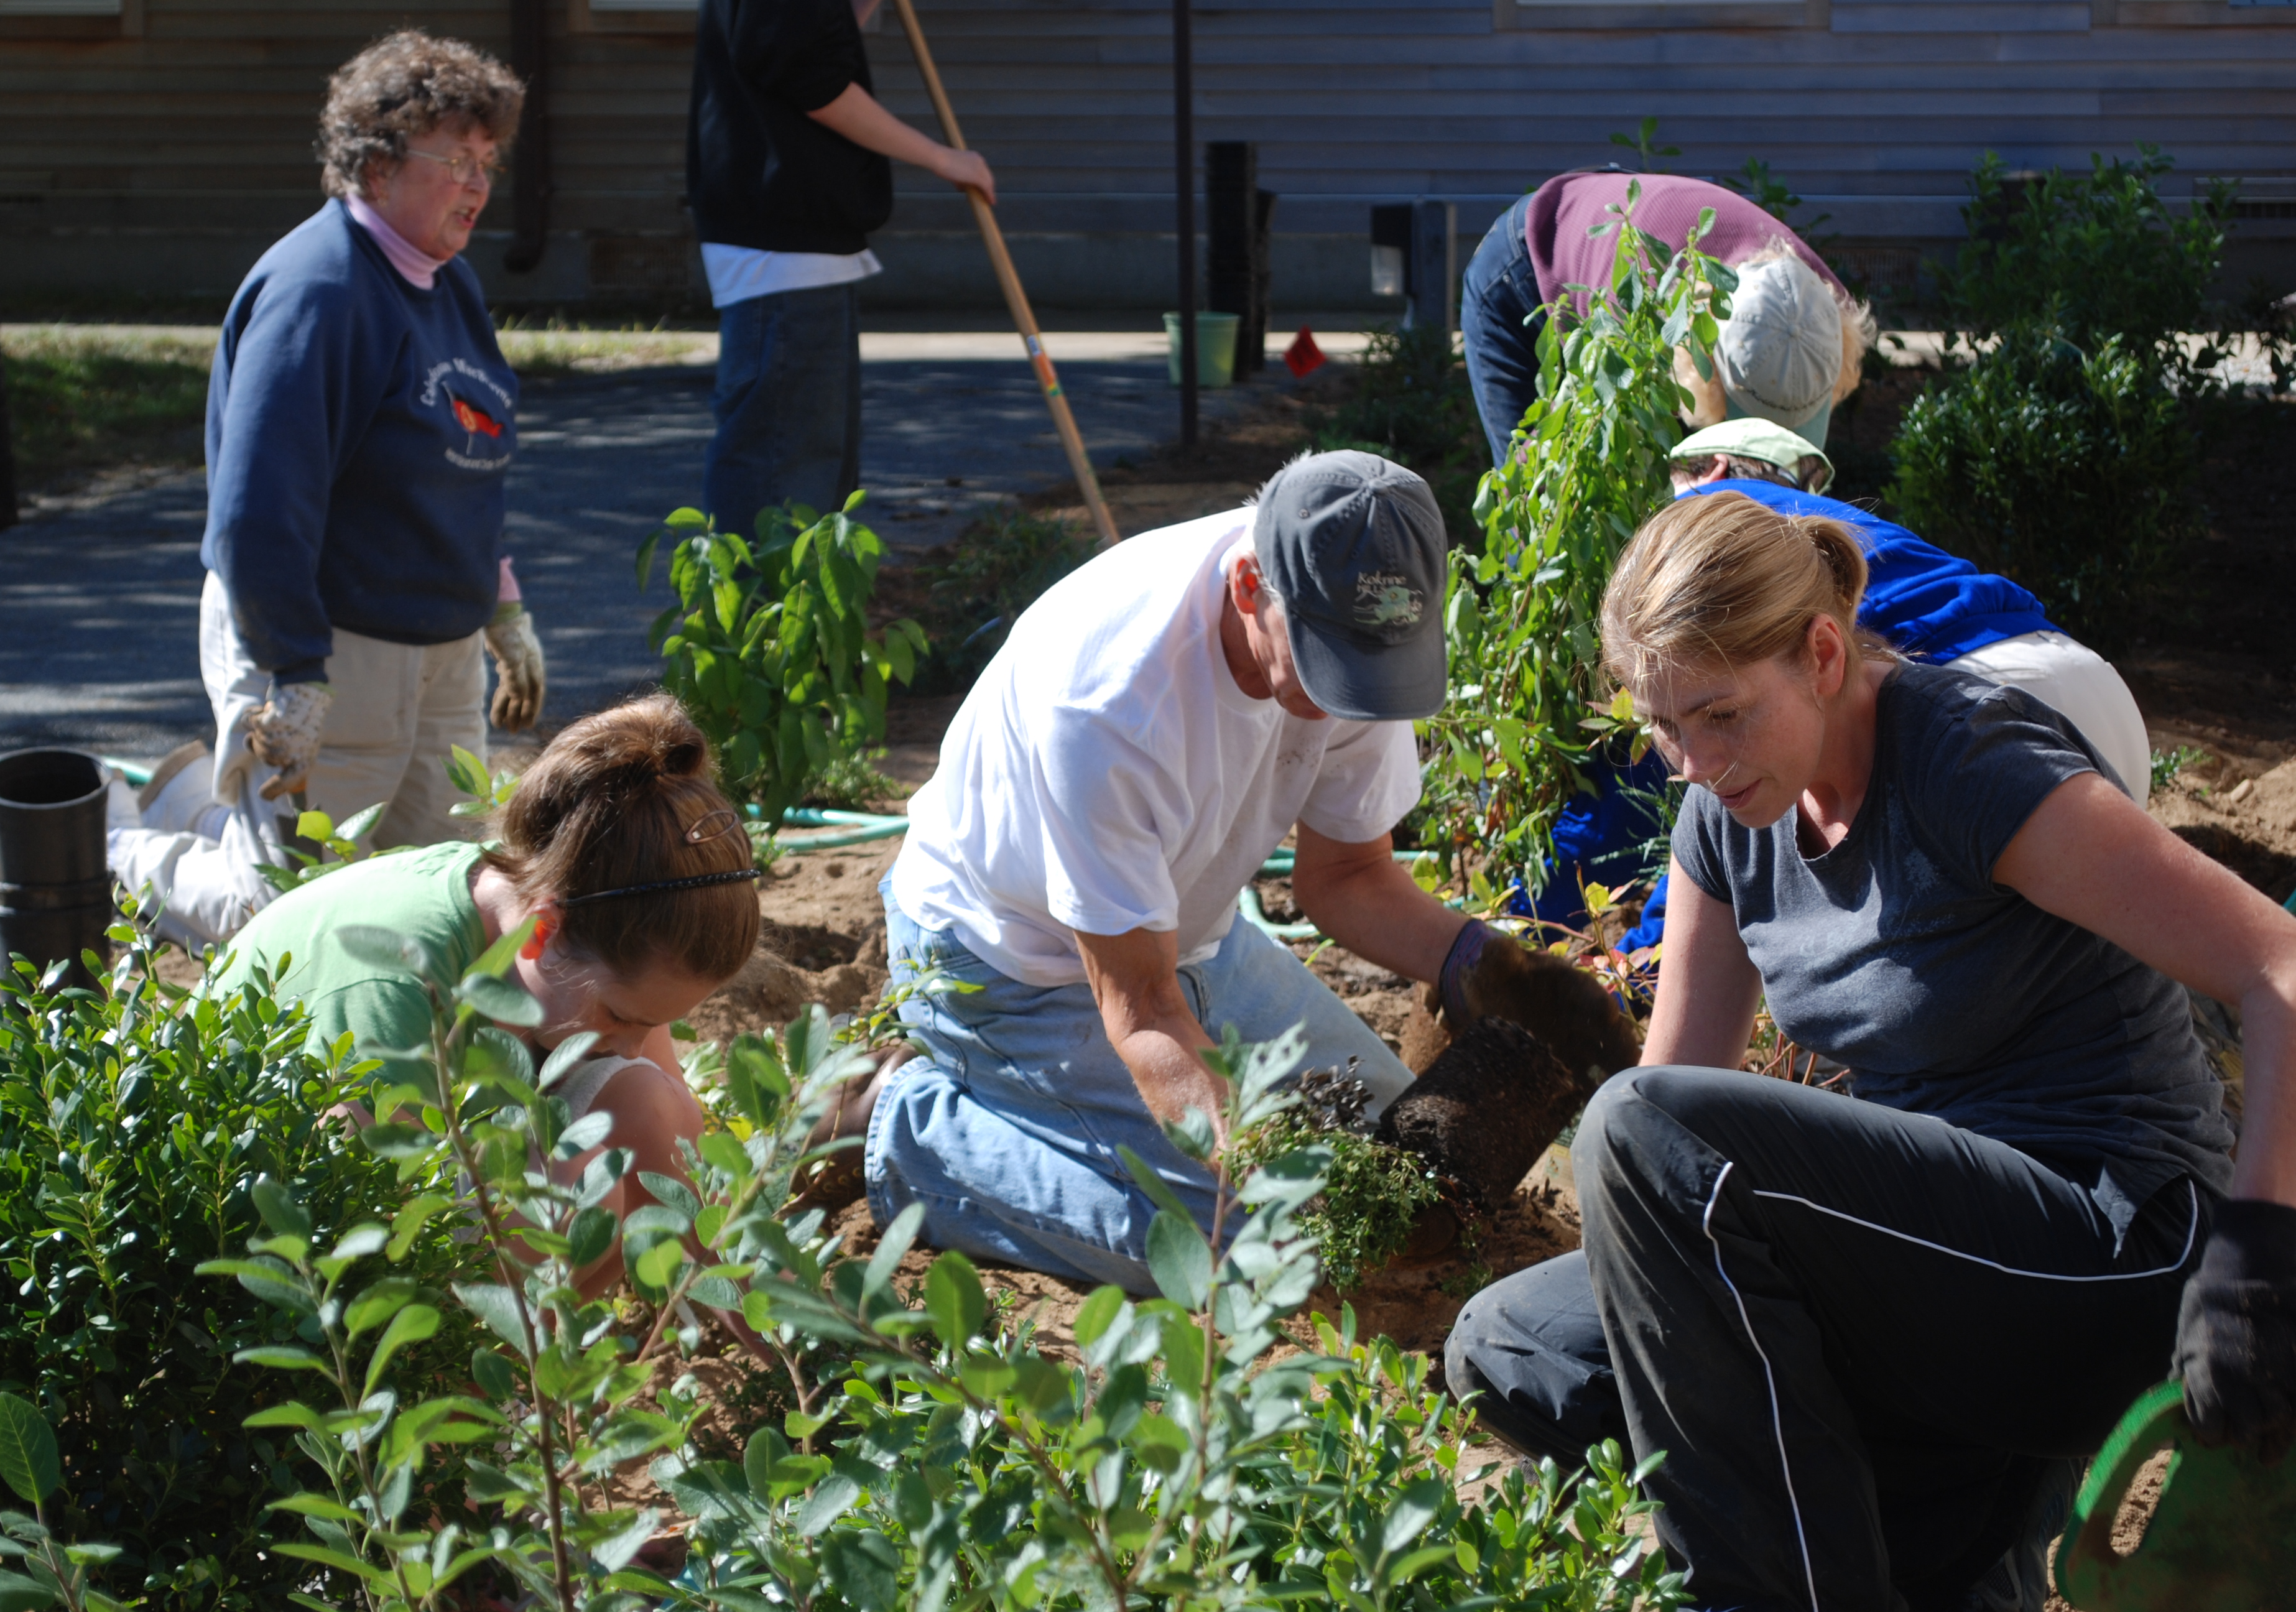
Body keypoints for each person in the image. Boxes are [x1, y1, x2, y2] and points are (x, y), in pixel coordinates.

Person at [1443, 491, 2296, 1611]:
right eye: (1664, 729)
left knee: (1642, 1136)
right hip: (1930, 1268)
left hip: (2108, 1246)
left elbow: (2275, 964)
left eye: (1720, 715)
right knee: (1513, 1340)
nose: (1691, 761)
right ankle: (1929, 1560)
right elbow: (1669, 1107)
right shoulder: (1726, 816)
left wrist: (2259, 1247)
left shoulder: (1966, 760)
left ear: (1823, 653)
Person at [815, 450, 1562, 1292]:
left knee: (1403, 1175)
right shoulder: (1108, 701)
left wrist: (1494, 969)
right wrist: (1263, 1167)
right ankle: (906, 1129)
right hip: (1010, 965)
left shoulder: (1355, 634)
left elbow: (1347, 877)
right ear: (1251, 587)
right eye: (1326, 668)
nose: (1344, 700)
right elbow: (1141, 1012)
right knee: (1263, 1254)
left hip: (1189, 942)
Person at [106, 30, 550, 949]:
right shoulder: (323, 293)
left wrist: (501, 610)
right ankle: (119, 854)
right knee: (285, 913)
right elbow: (258, 509)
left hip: (438, 650)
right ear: (377, 165)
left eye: (487, 161)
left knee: (432, 896)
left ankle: (192, 797)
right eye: (454, 160)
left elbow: (460, 466)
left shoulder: (449, 285)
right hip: (328, 645)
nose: (477, 184)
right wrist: (294, 673)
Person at [208, 695, 762, 1292]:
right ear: (543, 931)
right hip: (246, 1236)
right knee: (578, 1191)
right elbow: (365, 1231)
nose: (632, 1045)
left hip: (389, 1190)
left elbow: (676, 1139)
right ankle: (484, 1380)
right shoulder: (394, 983)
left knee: (648, 1109)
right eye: (621, 1017)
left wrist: (763, 1308)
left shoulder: (582, 919)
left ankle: (542, 1373)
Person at [1534, 417, 2150, 939]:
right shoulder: (1820, 533)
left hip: (1982, 705)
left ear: (1713, 470)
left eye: (1717, 717)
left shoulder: (1697, 542)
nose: (1690, 761)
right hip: (2086, 686)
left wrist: (1562, 922)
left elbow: (1669, 814)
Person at [687, 0, 996, 540]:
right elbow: (807, 74)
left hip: (798, 246)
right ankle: (764, 626)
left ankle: (798, 624)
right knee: (785, 483)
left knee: (813, 480)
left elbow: (800, 39)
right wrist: (940, 157)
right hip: (784, 250)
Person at [1463, 171, 1876, 463]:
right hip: (1524, 271)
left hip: (1631, 213)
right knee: (1539, 494)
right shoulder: (1644, 319)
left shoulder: (1818, 304)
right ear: (1707, 371)